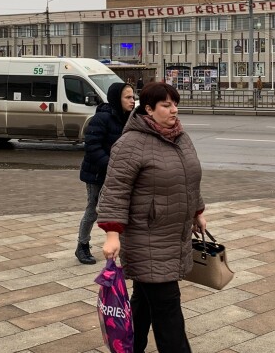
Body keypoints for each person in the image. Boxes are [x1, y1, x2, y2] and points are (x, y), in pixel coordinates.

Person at [98, 82, 206, 353]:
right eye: (166, 105)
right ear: (148, 109)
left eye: (175, 104)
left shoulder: (180, 137)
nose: (174, 110)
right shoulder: (131, 144)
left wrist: (197, 212)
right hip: (146, 239)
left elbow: (189, 179)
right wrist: (112, 233)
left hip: (174, 235)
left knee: (144, 302)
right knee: (168, 311)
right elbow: (115, 191)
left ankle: (130, 348)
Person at [75, 82, 136, 265]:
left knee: (124, 208)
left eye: (133, 97)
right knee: (93, 210)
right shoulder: (101, 118)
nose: (132, 100)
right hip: (97, 173)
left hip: (120, 174)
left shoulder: (130, 118)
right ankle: (82, 245)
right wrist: (111, 166)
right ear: (117, 99)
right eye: (128, 97)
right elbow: (92, 147)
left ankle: (123, 244)